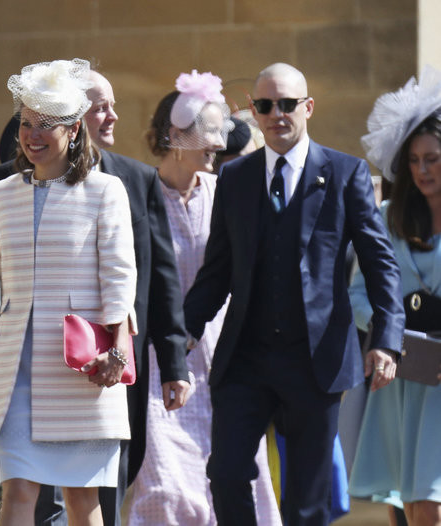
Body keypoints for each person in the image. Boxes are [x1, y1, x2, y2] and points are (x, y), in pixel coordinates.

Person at [183, 62, 405, 526]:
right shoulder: (236, 179)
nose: (277, 114)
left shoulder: (345, 174)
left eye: (287, 104)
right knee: (224, 474)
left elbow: (380, 260)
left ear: (308, 107)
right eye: (265, 105)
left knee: (307, 500)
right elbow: (217, 271)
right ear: (253, 111)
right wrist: (183, 329)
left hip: (315, 360)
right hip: (245, 357)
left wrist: (386, 337)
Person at [0, 58, 137, 526]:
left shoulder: (105, 190)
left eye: (46, 125)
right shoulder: (1, 193)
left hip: (80, 368)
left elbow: (119, 277)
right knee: (18, 493)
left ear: (72, 129)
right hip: (13, 368)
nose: (33, 135)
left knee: (82, 501)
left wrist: (119, 353)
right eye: (26, 123)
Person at [125, 71, 280, 525]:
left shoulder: (227, 193)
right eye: (208, 131)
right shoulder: (137, 196)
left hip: (223, 360)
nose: (219, 141)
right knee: (166, 489)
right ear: (175, 135)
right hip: (156, 362)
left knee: (232, 486)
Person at [348, 66, 441, 526]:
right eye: (415, 160)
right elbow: (358, 295)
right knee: (409, 501)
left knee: (430, 501)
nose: (423, 170)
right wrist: (393, 329)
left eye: (433, 159)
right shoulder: (387, 217)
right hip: (406, 372)